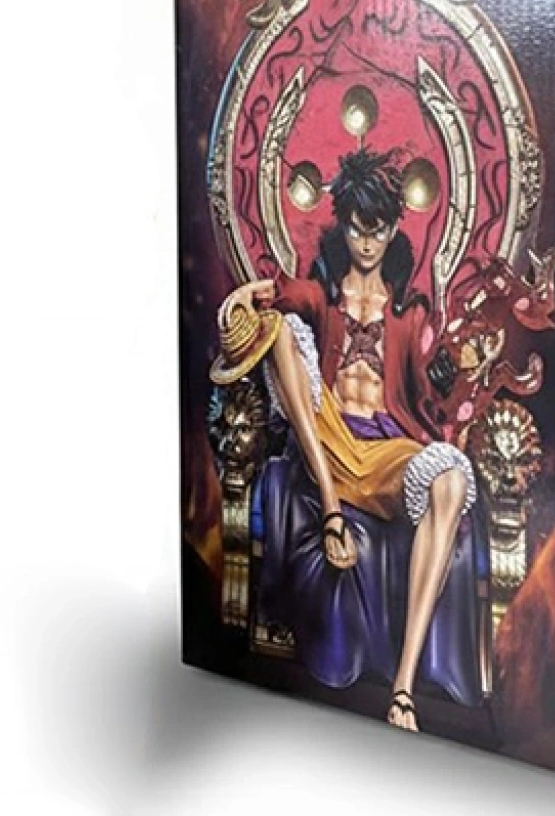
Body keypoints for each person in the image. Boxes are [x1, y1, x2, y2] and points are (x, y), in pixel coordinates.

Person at [214, 147, 476, 732]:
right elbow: (278, 295)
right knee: (282, 331)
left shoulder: (411, 312)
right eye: (357, 229)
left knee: (452, 481)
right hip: (329, 441)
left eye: (377, 230)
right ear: (343, 226)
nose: (366, 242)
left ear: (393, 229)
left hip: (385, 450)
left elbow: (429, 402)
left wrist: (456, 371)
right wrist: (245, 294)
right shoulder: (323, 295)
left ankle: (402, 689)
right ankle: (333, 512)